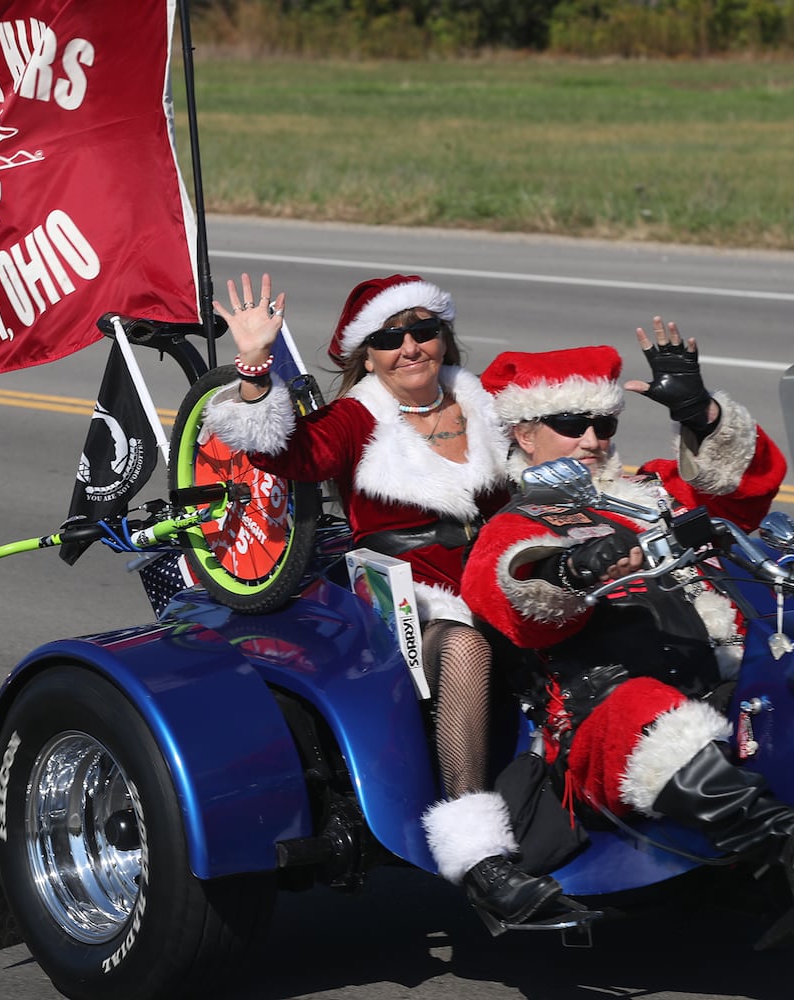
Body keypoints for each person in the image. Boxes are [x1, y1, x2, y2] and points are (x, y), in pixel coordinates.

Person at [461, 319, 794, 912]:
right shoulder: (520, 520)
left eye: (602, 424)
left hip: (723, 676)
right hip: (600, 721)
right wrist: (573, 572)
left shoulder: (649, 487)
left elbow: (742, 496)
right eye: (571, 425)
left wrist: (702, 415)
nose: (592, 440)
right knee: (643, 711)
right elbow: (509, 590)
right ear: (525, 433)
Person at [202, 271, 562, 924]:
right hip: (409, 599)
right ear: (367, 353)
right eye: (391, 336)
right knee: (464, 647)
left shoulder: (485, 403)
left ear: (444, 340)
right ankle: (479, 858)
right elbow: (285, 451)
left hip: (501, 577)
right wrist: (254, 364)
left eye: (423, 330)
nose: (411, 347)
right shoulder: (356, 416)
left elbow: (557, 454)